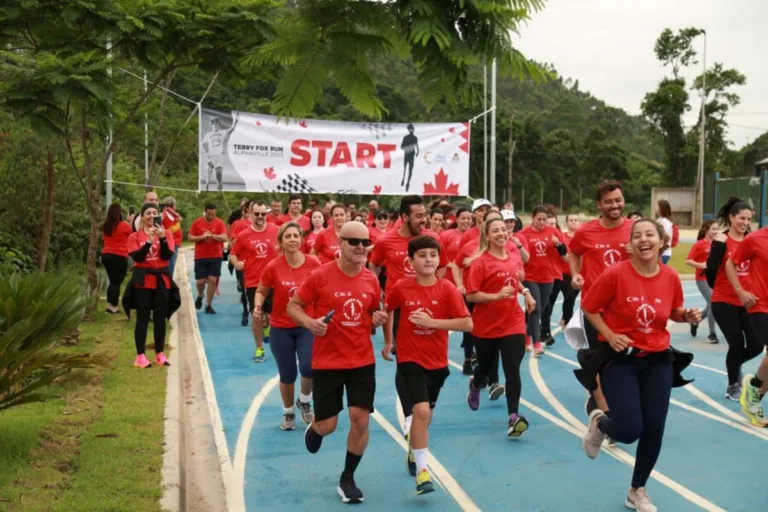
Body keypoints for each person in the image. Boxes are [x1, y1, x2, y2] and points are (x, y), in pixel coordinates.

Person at [580, 218, 700, 512]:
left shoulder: (670, 276)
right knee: (630, 429)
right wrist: (609, 334)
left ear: (662, 242)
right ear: (630, 244)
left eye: (650, 234)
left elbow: (672, 311)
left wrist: (687, 316)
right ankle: (599, 423)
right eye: (637, 236)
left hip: (657, 360)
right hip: (621, 361)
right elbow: (589, 306)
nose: (643, 240)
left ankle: (637, 490)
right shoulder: (615, 274)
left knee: (654, 429)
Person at [287, 222, 387, 504]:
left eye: (364, 242)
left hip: (361, 360)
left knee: (361, 418)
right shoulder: (319, 276)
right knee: (329, 424)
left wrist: (377, 319)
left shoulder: (370, 279)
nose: (359, 247)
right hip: (328, 362)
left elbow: (372, 315)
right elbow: (293, 306)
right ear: (340, 244)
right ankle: (316, 427)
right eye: (353, 241)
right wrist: (310, 323)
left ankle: (348, 477)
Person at [381, 235, 472, 494]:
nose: (428, 259)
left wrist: (434, 323)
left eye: (432, 255)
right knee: (420, 412)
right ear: (411, 261)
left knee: (426, 416)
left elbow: (467, 323)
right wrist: (389, 340)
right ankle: (423, 473)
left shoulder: (447, 289)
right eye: (422, 255)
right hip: (409, 359)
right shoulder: (401, 287)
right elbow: (387, 309)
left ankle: (414, 449)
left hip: (437, 363)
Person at [370, 195, 448, 435]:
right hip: (402, 308)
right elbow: (374, 265)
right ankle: (409, 415)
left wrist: (437, 287)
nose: (423, 219)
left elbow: (443, 264)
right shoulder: (386, 241)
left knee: (433, 364)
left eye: (424, 214)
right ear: (404, 217)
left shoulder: (432, 239)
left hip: (429, 307)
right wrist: (379, 290)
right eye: (418, 216)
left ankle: (423, 405)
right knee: (404, 361)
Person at [465, 217, 536, 437]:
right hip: (485, 325)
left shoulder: (514, 255)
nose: (501, 234)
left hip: (512, 320)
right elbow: (471, 294)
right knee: (485, 368)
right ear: (486, 235)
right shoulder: (480, 262)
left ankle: (513, 417)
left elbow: (515, 279)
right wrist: (496, 296)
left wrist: (526, 293)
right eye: (495, 231)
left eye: (503, 230)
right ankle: (476, 384)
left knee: (512, 369)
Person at [569, 180, 633, 417]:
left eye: (618, 200)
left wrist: (636, 253)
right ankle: (600, 405)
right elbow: (574, 252)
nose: (615, 205)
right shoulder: (586, 231)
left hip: (626, 307)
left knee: (622, 358)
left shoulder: (635, 229)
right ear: (599, 205)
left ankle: (608, 399)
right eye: (608, 202)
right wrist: (576, 274)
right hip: (595, 307)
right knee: (600, 357)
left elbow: (651, 260)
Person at [256, 222, 321, 429]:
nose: (293, 239)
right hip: (280, 327)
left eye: (296, 236)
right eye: (288, 236)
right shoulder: (273, 266)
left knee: (309, 367)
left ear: (301, 239)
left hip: (306, 326)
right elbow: (261, 291)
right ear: (281, 242)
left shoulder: (314, 264)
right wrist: (258, 306)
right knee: (287, 374)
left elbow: (324, 289)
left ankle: (304, 400)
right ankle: (288, 413)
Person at [706, 197, 762, 401]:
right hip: (724, 300)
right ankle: (732, 385)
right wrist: (720, 288)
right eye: (742, 218)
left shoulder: (752, 240)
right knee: (736, 344)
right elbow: (710, 269)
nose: (745, 223)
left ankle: (734, 363)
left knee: (757, 344)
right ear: (731, 217)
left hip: (748, 301)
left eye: (749, 219)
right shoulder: (721, 241)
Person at [726, 221, 768, 426]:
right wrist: (740, 291)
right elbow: (730, 263)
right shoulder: (755, 239)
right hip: (760, 305)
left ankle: (754, 400)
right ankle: (754, 385)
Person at [125, 203, 177, 368]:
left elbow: (167, 255)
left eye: (154, 213)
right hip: (142, 282)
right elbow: (138, 258)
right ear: (142, 216)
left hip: (161, 280)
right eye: (148, 213)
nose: (151, 216)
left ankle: (160, 353)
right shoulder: (134, 236)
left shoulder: (167, 234)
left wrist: (161, 237)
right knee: (143, 318)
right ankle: (140, 355)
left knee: (160, 318)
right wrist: (148, 241)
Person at [230, 201, 279, 363]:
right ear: (250, 213)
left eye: (263, 214)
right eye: (256, 214)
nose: (260, 217)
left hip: (273, 281)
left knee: (272, 317)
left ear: (267, 214)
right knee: (257, 316)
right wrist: (237, 263)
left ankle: (268, 328)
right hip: (252, 282)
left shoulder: (276, 230)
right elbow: (233, 254)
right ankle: (259, 349)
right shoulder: (244, 235)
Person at [519, 206, 568, 355]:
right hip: (530, 276)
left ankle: (526, 336)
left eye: (544, 219)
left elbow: (565, 255)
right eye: (539, 219)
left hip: (548, 276)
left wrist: (559, 245)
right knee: (536, 308)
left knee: (537, 311)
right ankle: (537, 343)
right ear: (533, 218)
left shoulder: (553, 232)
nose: (542, 222)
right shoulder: (524, 234)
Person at [188, 204, 228, 314]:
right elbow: (190, 237)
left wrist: (213, 236)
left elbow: (224, 237)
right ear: (205, 212)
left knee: (213, 280)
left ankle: (208, 305)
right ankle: (200, 295)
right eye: (209, 214)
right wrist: (202, 237)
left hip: (215, 255)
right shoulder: (197, 222)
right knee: (200, 281)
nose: (211, 217)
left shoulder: (219, 223)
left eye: (213, 215)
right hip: (201, 255)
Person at [685, 220, 719, 343]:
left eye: (717, 229)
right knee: (713, 303)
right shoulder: (699, 244)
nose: (716, 231)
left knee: (710, 305)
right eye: (713, 229)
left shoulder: (717, 244)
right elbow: (688, 260)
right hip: (702, 279)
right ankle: (712, 334)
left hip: (715, 280)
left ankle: (695, 321)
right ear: (706, 230)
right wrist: (701, 265)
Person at [101, 203, 132, 314]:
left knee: (112, 281)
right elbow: (132, 232)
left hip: (106, 255)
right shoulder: (124, 225)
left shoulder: (105, 226)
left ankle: (109, 305)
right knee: (116, 282)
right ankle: (113, 307)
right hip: (119, 256)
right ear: (119, 213)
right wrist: (130, 220)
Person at [161, 197, 183, 278]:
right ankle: (168, 283)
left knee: (171, 264)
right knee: (171, 265)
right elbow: (168, 231)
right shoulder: (166, 215)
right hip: (172, 243)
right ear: (172, 205)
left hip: (174, 242)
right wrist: (178, 224)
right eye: (175, 204)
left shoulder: (171, 214)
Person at [655, 200, 674, 264]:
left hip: (664, 252)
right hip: (659, 251)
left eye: (657, 206)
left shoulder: (665, 221)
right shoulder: (659, 220)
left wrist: (663, 247)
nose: (655, 207)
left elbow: (667, 235)